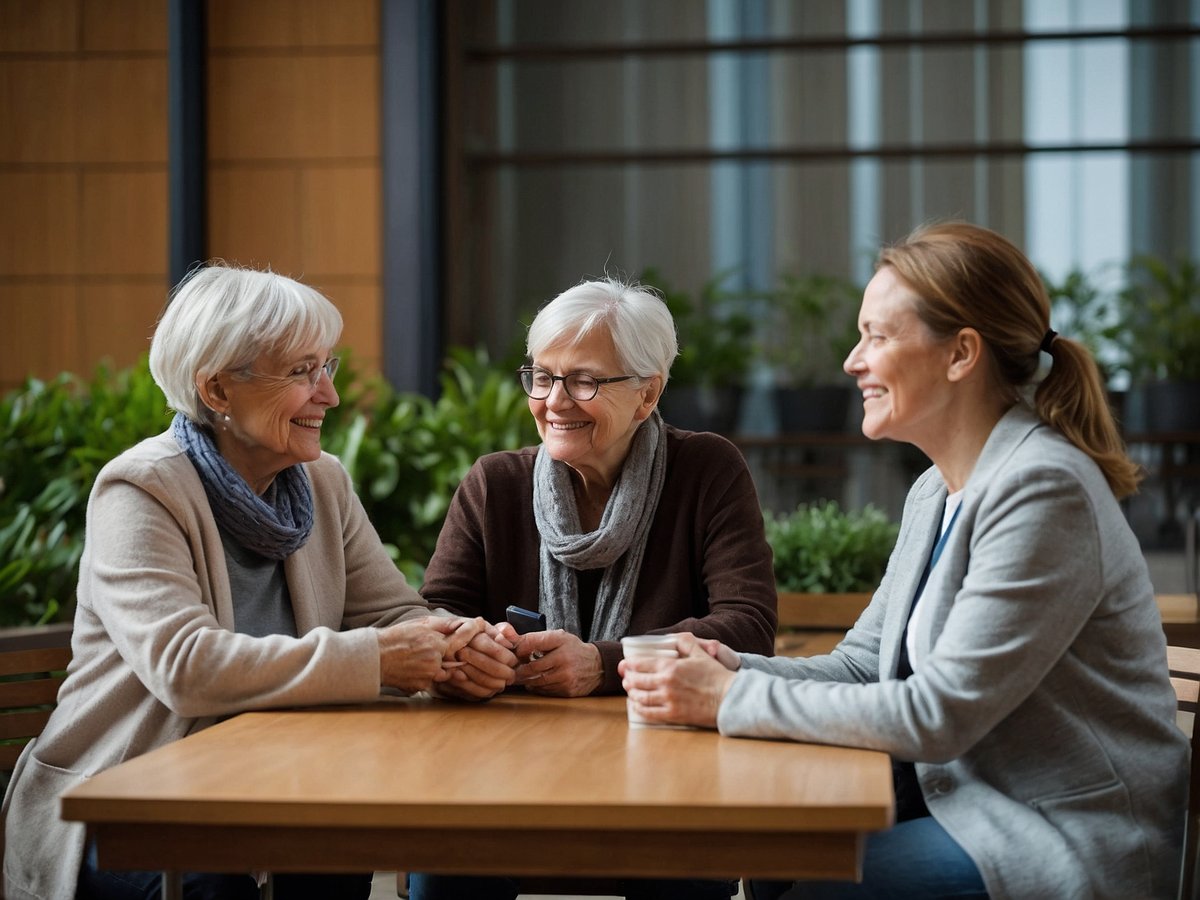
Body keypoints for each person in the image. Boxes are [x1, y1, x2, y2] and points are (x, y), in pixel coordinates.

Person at [621, 222, 1190, 900]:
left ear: (961, 355)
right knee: (771, 860)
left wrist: (729, 699)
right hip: (960, 803)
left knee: (804, 885)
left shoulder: (1044, 490)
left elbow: (939, 714)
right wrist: (733, 665)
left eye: (877, 336)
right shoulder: (936, 490)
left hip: (1054, 836)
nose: (852, 362)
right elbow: (865, 665)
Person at [1, 264, 516, 900]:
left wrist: (455, 647)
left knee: (335, 855)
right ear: (217, 389)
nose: (329, 394)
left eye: (326, 366)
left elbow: (390, 615)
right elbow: (186, 668)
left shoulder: (321, 481)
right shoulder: (140, 489)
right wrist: (382, 659)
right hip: (132, 801)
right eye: (302, 371)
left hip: (284, 786)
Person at [409, 277, 778, 900]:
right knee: (448, 862)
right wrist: (466, 647)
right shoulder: (494, 483)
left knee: (680, 871)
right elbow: (436, 613)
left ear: (647, 394)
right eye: (543, 376)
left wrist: (603, 663)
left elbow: (746, 623)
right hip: (498, 768)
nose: (555, 400)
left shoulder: (707, 470)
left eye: (584, 381)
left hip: (667, 767)